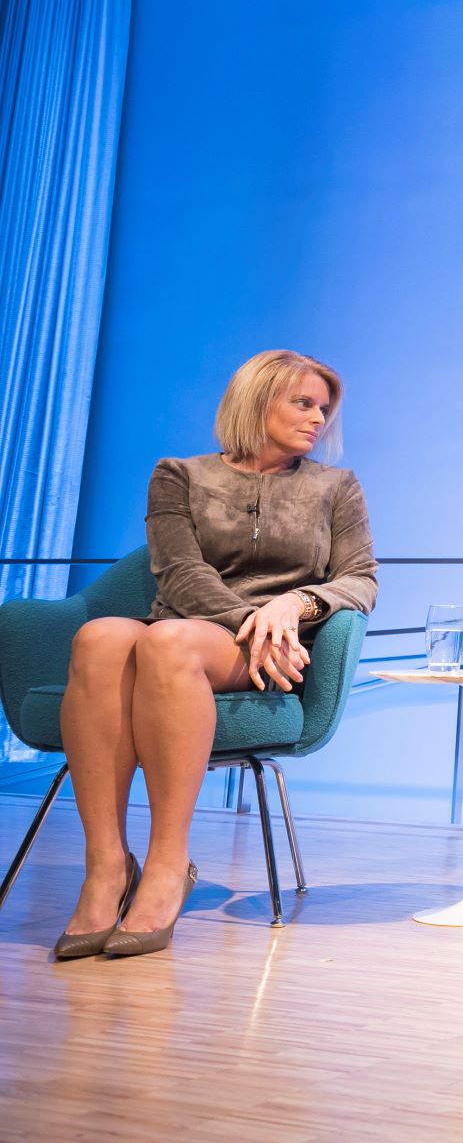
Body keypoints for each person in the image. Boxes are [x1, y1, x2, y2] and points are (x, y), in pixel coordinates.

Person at [56, 350, 378, 959]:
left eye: (324, 408)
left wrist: (295, 605)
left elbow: (361, 579)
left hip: (273, 649)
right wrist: (248, 618)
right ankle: (105, 866)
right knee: (98, 637)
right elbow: (177, 572)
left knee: (167, 641)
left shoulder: (336, 487)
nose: (318, 419)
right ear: (257, 401)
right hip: (194, 625)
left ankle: (168, 865)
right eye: (303, 402)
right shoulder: (179, 475)